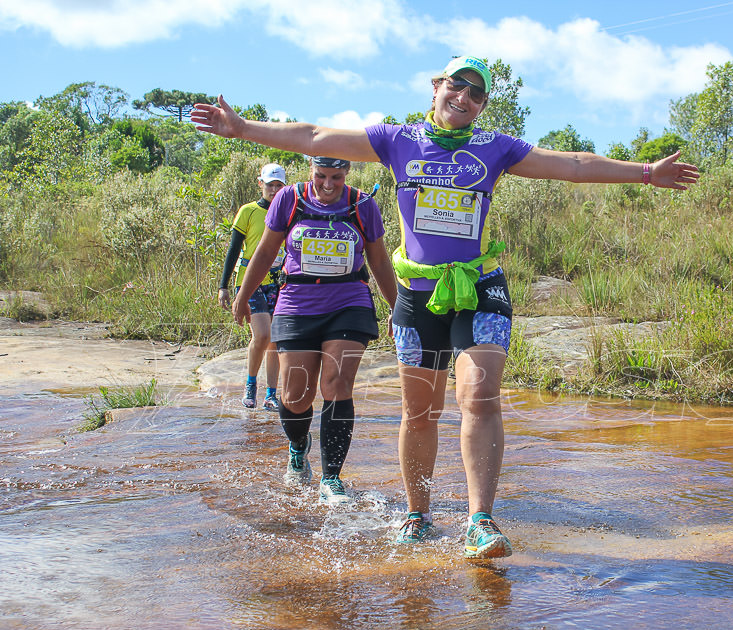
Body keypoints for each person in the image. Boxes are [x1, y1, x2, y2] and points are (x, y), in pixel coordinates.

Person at [192, 55, 700, 558]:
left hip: (478, 288)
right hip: (418, 295)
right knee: (420, 412)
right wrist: (242, 129)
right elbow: (314, 138)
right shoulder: (397, 140)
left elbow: (569, 165)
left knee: (478, 397)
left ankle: (481, 521)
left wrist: (646, 172)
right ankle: (418, 514)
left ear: (482, 105)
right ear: (436, 86)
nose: (465, 97)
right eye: (457, 85)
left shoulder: (496, 148)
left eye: (477, 93)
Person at [231, 156, 398, 504]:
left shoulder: (363, 205)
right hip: (297, 302)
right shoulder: (288, 199)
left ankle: (332, 477)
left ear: (347, 173)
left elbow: (379, 260)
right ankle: (298, 445)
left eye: (336, 177)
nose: (327, 185)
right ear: (310, 169)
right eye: (321, 176)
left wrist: (399, 307)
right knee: (295, 396)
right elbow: (265, 251)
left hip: (349, 302)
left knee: (336, 384)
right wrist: (243, 295)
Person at [217, 162, 287, 410]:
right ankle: (250, 384)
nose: (274, 190)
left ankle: (271, 394)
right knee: (262, 335)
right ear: (261, 184)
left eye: (279, 185)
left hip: (278, 281)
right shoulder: (247, 211)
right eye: (270, 185)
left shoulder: (290, 211)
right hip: (250, 280)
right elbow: (233, 249)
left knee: (275, 340)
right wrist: (223, 286)